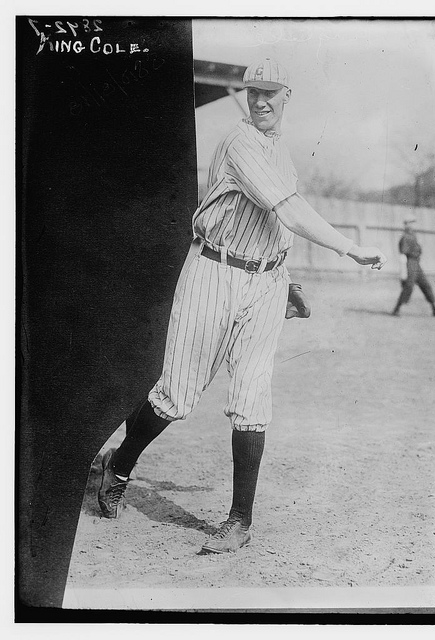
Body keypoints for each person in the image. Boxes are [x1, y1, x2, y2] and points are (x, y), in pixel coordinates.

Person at [98, 57, 387, 554]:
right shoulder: (241, 141)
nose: (259, 100)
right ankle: (119, 464)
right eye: (252, 91)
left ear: (286, 97)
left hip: (265, 283)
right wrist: (347, 245)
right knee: (176, 396)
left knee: (253, 399)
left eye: (270, 91)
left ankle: (239, 521)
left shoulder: (281, 152)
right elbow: (290, 210)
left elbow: (274, 223)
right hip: (214, 271)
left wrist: (286, 277)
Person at [392, 216, 435, 317]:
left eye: (413, 223)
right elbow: (402, 255)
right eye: (410, 223)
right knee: (409, 286)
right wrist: (403, 271)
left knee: (425, 285)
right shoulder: (405, 237)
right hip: (410, 263)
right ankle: (397, 309)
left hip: (416, 264)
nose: (412, 225)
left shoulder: (413, 235)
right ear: (406, 224)